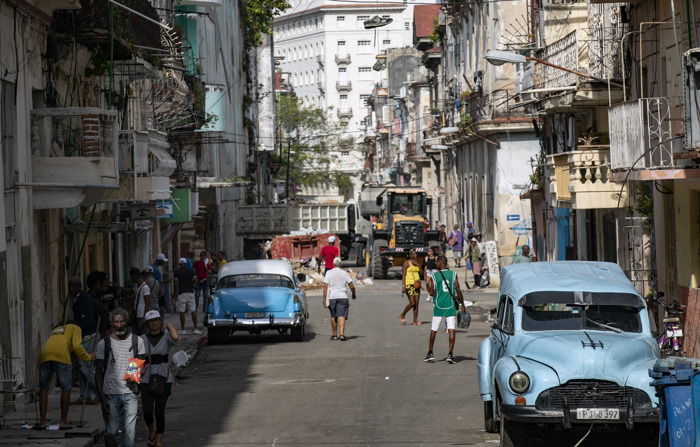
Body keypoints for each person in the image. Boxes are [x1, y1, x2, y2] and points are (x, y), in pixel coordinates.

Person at [95, 308, 146, 447]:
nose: (119, 325)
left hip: (130, 393)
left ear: (127, 322)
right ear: (111, 324)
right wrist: (101, 399)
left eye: (122, 321)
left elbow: (141, 363)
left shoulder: (137, 340)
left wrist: (133, 375)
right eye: (116, 322)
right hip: (110, 393)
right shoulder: (104, 343)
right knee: (111, 432)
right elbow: (98, 373)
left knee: (129, 432)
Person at [36, 323, 95, 430]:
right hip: (61, 355)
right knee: (66, 388)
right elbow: (77, 346)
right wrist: (88, 357)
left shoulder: (56, 330)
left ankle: (42, 422)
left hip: (44, 355)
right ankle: (63, 421)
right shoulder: (76, 327)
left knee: (43, 388)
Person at [140, 310, 179, 447]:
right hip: (146, 378)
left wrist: (169, 325)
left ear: (160, 321)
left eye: (157, 320)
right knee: (147, 411)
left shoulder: (166, 337)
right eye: (151, 321)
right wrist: (132, 376)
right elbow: (136, 358)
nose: (154, 323)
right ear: (147, 324)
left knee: (159, 411)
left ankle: (159, 441)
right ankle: (152, 431)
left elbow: (175, 337)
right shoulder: (142, 339)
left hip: (164, 378)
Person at [425, 255, 466, 364]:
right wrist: (462, 304)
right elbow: (458, 290)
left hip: (438, 305)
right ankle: (450, 354)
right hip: (450, 304)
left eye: (436, 262)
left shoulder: (435, 276)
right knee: (451, 329)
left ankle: (430, 353)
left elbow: (431, 292)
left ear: (440, 263)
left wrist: (428, 284)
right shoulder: (453, 274)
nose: (435, 264)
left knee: (434, 329)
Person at [69, 276, 99, 405]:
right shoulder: (76, 299)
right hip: (82, 336)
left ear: (79, 286)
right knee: (82, 368)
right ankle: (84, 396)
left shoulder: (84, 298)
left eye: (73, 286)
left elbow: (89, 320)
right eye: (69, 286)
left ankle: (99, 393)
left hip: (89, 336)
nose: (70, 289)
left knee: (86, 367)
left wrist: (77, 327)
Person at [322, 257, 356, 341]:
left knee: (333, 315)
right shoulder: (344, 273)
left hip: (332, 297)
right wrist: (353, 294)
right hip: (343, 296)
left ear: (333, 264)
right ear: (341, 264)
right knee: (342, 315)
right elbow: (351, 285)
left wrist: (324, 299)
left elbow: (325, 287)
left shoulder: (328, 273)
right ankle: (341, 335)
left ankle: (334, 335)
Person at [173, 257, 200, 335]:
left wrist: (175, 293)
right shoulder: (190, 270)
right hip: (190, 292)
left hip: (182, 292)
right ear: (185, 263)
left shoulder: (177, 271)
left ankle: (183, 329)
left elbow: (175, 283)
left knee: (182, 311)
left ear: (179, 264)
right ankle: (195, 328)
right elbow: (196, 280)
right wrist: (192, 284)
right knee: (193, 310)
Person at [399, 249, 423, 325]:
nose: (415, 255)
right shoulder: (407, 263)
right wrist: (403, 286)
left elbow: (422, 274)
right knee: (412, 303)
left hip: (417, 284)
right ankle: (402, 314)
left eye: (416, 253)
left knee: (416, 303)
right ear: (410, 255)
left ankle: (415, 321)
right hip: (409, 284)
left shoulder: (417, 263)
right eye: (413, 254)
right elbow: (403, 275)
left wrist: (418, 266)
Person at [129, 267, 150, 335]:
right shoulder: (137, 287)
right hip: (136, 315)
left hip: (141, 315)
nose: (131, 279)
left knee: (142, 335)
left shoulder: (145, 287)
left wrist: (144, 317)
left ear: (134, 277)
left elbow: (147, 302)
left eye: (131, 277)